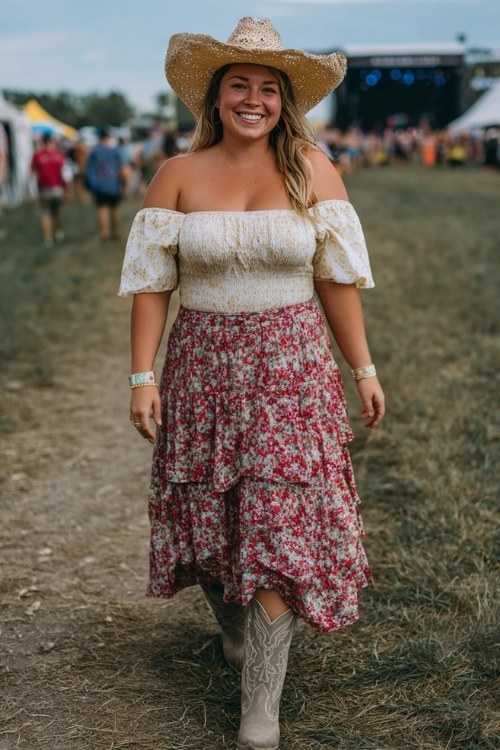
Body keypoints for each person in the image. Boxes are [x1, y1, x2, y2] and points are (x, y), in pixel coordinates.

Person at [118, 17, 385, 750]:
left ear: (284, 100)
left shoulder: (312, 167)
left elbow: (337, 278)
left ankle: (259, 710)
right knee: (207, 514)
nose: (254, 98)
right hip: (202, 365)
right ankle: (233, 627)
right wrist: (143, 375)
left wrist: (361, 366)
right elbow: (151, 286)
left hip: (291, 371)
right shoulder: (175, 174)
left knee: (277, 522)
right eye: (240, 83)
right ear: (215, 94)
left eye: (269, 88)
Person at [85, 128, 125, 241]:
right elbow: (121, 169)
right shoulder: (115, 151)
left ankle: (104, 234)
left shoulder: (94, 152)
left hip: (100, 186)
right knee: (115, 209)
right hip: (114, 185)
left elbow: (90, 171)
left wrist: (92, 185)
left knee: (102, 209)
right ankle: (117, 232)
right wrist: (123, 185)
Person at [31, 131, 69, 246]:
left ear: (43, 142)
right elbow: (66, 174)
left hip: (44, 189)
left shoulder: (37, 156)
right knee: (56, 210)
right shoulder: (60, 155)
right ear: (52, 141)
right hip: (58, 188)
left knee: (45, 213)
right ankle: (58, 232)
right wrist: (66, 190)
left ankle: (48, 239)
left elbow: (33, 173)